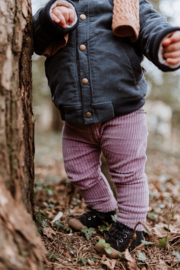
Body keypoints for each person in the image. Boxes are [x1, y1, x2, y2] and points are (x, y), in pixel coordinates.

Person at [33, 0, 180, 258]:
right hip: (76, 118)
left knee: (128, 174)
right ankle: (103, 210)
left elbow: (150, 25)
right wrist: (51, 16)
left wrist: (165, 41)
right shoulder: (59, 4)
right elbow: (35, 38)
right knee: (79, 172)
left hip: (123, 111)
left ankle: (132, 227)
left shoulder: (125, 3)